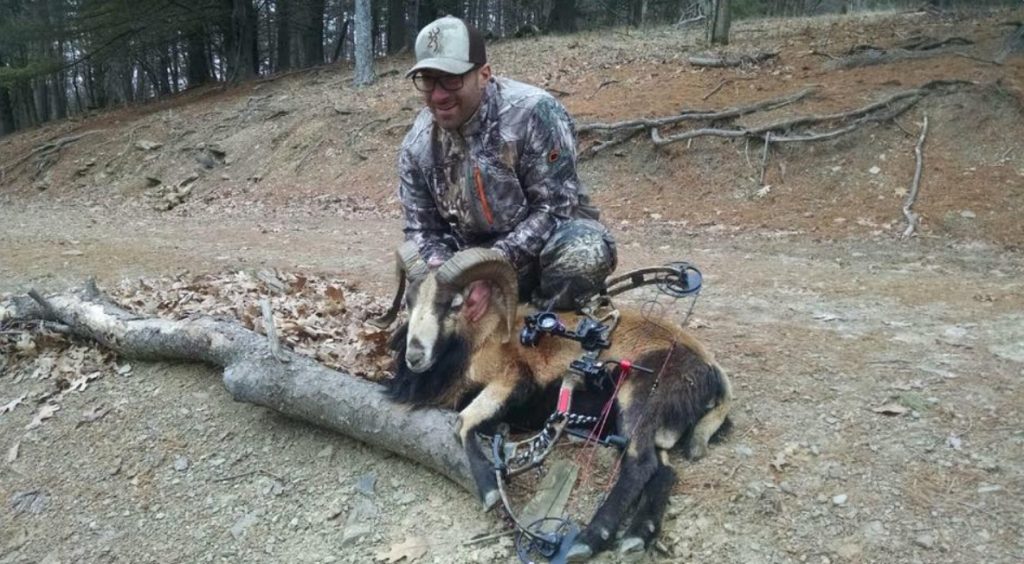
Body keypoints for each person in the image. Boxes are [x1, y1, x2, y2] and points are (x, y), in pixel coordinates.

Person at [398, 15, 616, 318]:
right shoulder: (417, 144)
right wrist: (446, 279)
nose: (438, 95)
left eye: (451, 79)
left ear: (484, 74)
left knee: (582, 252)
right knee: (419, 283)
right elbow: (423, 230)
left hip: (539, 259)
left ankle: (548, 326)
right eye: (427, 80)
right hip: (470, 270)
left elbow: (555, 208)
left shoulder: (534, 114)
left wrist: (492, 267)